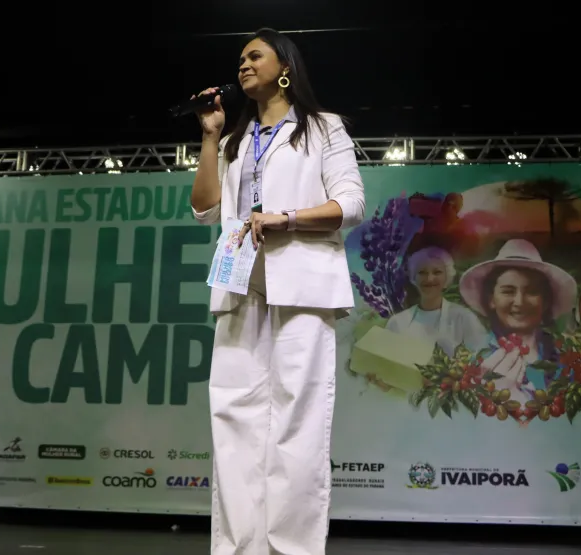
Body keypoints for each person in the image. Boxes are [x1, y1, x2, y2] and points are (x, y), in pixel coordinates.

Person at [189, 28, 365, 555]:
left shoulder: (323, 128)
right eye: (239, 58)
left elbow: (350, 205)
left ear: (284, 65)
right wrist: (209, 135)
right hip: (241, 287)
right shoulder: (234, 141)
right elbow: (205, 209)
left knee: (298, 425)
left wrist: (286, 218)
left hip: (303, 289)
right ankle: (237, 548)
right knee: (233, 420)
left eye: (254, 56)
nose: (242, 64)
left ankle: (291, 549)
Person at [458, 239, 577, 403]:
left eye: (532, 292)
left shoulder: (564, 357)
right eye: (508, 291)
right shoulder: (475, 358)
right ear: (491, 299)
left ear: (545, 301)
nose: (520, 302)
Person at [386, 246, 487, 356]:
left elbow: (482, 359)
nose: (429, 279)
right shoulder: (397, 322)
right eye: (422, 272)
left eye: (437, 272)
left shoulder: (464, 318)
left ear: (447, 278)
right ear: (413, 278)